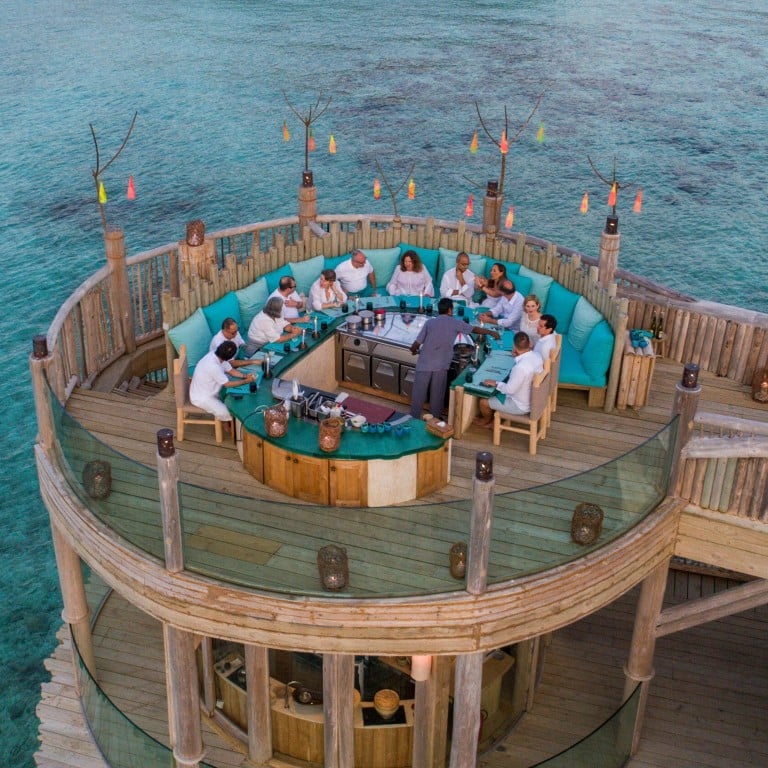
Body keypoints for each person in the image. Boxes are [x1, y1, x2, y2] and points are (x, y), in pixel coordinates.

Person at [409, 297, 500, 420]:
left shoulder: (429, 323)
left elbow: (416, 344)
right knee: (437, 394)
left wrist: (414, 351)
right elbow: (474, 329)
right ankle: (435, 419)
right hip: (441, 365)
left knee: (418, 393)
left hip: (425, 363)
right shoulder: (455, 323)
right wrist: (491, 333)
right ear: (450, 310)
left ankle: (414, 418)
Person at [474, 331, 544, 427]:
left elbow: (509, 390)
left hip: (520, 406)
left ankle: (487, 421)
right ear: (529, 344)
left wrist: (495, 383)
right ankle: (494, 419)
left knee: (483, 402)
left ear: (514, 347)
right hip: (532, 399)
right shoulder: (537, 356)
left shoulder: (520, 368)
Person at [190, 340, 257, 427]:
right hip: (202, 397)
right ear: (229, 358)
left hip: (210, 390)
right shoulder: (213, 366)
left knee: (234, 403)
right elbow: (227, 384)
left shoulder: (217, 354)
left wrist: (245, 376)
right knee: (225, 412)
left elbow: (231, 370)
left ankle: (228, 424)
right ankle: (227, 427)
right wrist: (246, 381)